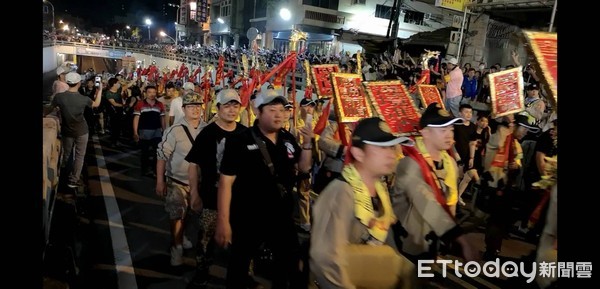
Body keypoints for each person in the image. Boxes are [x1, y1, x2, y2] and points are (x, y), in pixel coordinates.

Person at [214, 89, 314, 289]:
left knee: (289, 266)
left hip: (281, 215)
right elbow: (225, 182)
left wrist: (308, 143)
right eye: (272, 109)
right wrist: (223, 221)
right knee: (239, 267)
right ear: (258, 112)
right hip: (248, 217)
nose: (279, 114)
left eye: (282, 110)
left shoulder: (287, 138)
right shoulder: (240, 140)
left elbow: (304, 167)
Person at [310, 117, 416, 289]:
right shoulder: (341, 193)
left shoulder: (380, 190)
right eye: (382, 147)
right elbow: (327, 262)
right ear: (359, 153)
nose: (391, 154)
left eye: (391, 146)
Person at [393, 103, 479, 262]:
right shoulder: (410, 164)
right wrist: (459, 237)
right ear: (425, 133)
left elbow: (450, 202)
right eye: (442, 130)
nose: (449, 135)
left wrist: (449, 234)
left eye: (451, 130)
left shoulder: (450, 163)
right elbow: (427, 203)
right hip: (407, 246)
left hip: (432, 241)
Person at [185, 89, 246, 288]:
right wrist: (194, 193)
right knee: (205, 241)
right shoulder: (208, 133)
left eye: (235, 105)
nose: (231, 110)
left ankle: (243, 277)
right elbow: (193, 164)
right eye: (226, 105)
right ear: (217, 108)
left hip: (239, 201)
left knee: (243, 244)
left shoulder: (246, 134)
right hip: (211, 198)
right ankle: (202, 272)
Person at [156, 92, 205, 266]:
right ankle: (176, 248)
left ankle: (181, 236)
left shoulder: (206, 129)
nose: (195, 110)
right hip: (177, 181)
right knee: (177, 215)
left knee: (191, 215)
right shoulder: (174, 130)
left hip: (198, 184)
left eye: (198, 106)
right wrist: (160, 181)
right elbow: (162, 154)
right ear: (184, 109)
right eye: (191, 106)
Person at [46, 72, 103, 188]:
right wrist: (100, 90)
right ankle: (73, 180)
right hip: (82, 130)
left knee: (66, 154)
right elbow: (96, 104)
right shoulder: (83, 99)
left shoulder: (59, 97)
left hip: (67, 130)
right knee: (79, 156)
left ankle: (62, 176)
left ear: (67, 82)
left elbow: (48, 109)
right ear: (79, 83)